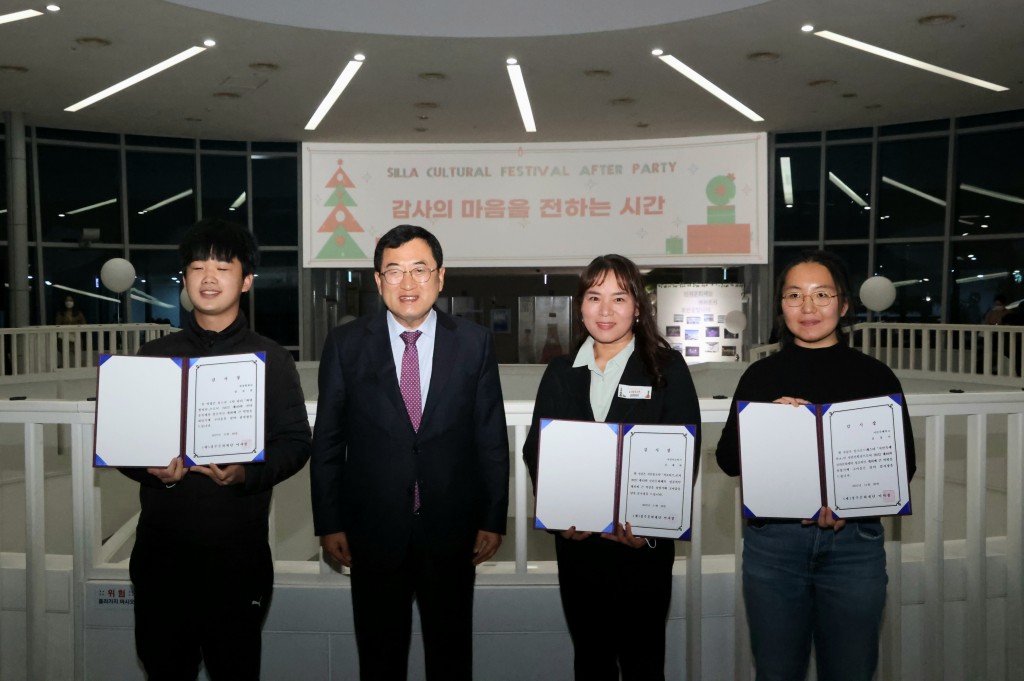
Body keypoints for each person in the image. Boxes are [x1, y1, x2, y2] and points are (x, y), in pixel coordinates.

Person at [310, 224, 509, 681]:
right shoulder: (346, 344)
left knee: (451, 656)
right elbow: (328, 441)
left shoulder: (474, 343)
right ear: (378, 281)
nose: (407, 283)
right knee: (379, 659)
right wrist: (330, 522)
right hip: (372, 531)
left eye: (420, 270)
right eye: (394, 271)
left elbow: (490, 437)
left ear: (440, 277)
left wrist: (492, 517)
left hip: (453, 530)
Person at [118, 219, 312, 680]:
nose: (208, 278)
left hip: (237, 557)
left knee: (235, 670)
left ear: (245, 280)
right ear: (184, 279)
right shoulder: (153, 356)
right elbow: (125, 446)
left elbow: (296, 443)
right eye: (197, 267)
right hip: (161, 556)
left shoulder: (270, 358)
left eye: (222, 267)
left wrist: (246, 473)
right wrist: (151, 471)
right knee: (164, 668)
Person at [715, 250, 917, 681]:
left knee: (851, 670)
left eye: (821, 294)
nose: (808, 308)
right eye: (794, 295)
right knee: (776, 671)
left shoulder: (875, 377)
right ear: (781, 305)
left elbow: (903, 468)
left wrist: (850, 501)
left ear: (843, 305)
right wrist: (769, 424)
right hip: (774, 547)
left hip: (854, 547)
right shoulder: (760, 376)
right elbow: (728, 459)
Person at [523, 254, 702, 681]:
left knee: (643, 665)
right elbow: (537, 452)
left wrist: (650, 530)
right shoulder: (560, 373)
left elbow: (684, 454)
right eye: (594, 297)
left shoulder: (665, 369)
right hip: (579, 548)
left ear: (638, 307)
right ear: (580, 306)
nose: (606, 310)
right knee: (591, 662)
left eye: (619, 298)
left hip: (642, 549)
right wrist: (559, 517)